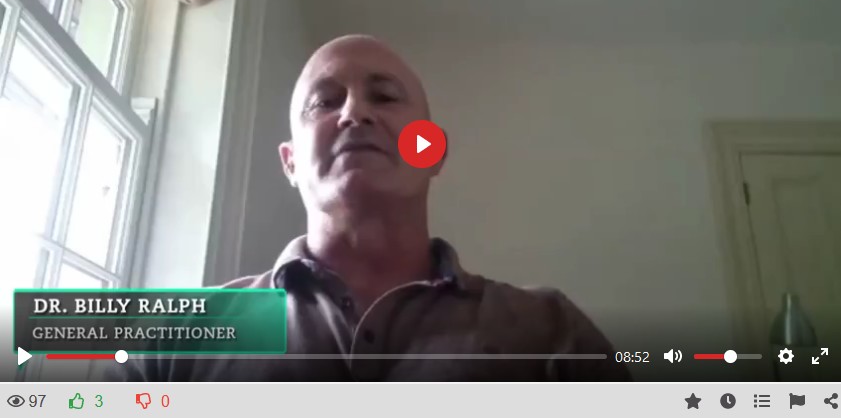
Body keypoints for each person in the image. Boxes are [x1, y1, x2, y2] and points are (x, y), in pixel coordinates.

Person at [109, 35, 630, 381]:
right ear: (290, 162)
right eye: (324, 102)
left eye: (384, 97)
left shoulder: (550, 329)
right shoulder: (173, 341)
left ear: (432, 151)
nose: (355, 113)